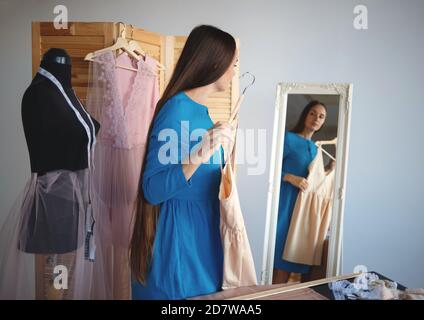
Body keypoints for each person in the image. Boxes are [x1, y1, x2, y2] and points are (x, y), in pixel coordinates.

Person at [130, 25, 238, 299]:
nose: (235, 70)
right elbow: (152, 189)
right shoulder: (176, 110)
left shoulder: (201, 113)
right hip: (181, 246)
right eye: (233, 63)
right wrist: (202, 151)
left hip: (203, 239)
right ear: (215, 62)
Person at [273, 100, 334, 284]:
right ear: (305, 115)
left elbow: (313, 180)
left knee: (294, 264)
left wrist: (328, 169)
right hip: (284, 205)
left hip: (303, 210)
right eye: (313, 113)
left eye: (321, 116)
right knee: (279, 263)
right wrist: (290, 178)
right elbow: (270, 170)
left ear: (323, 122)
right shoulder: (288, 138)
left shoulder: (317, 149)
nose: (316, 118)